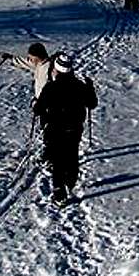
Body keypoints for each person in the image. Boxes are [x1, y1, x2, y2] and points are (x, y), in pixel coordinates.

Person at [33, 53, 98, 204]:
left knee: (58, 159)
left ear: (56, 69)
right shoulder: (80, 86)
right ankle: (70, 181)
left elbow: (39, 109)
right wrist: (90, 88)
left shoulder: (51, 87)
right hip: (75, 127)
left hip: (55, 128)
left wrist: (35, 105)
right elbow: (92, 104)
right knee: (72, 154)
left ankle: (59, 191)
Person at [0, 41, 55, 159]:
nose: (30, 58)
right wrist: (11, 58)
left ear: (37, 56)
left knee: (51, 130)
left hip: (51, 106)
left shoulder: (51, 69)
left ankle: (53, 155)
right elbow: (25, 62)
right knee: (45, 129)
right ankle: (49, 151)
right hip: (41, 104)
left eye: (31, 56)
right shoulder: (39, 64)